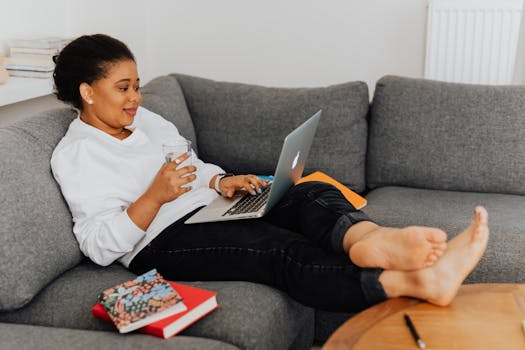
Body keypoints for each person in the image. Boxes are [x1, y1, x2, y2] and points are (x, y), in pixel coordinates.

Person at [51, 34, 489, 312]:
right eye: (123, 88)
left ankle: (372, 240)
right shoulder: (76, 155)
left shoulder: (147, 121)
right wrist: (153, 198)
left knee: (306, 192)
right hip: (161, 241)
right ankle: (418, 281)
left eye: (137, 85)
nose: (135, 98)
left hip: (209, 206)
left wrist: (220, 181)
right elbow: (98, 247)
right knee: (279, 249)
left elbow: (191, 167)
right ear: (88, 92)